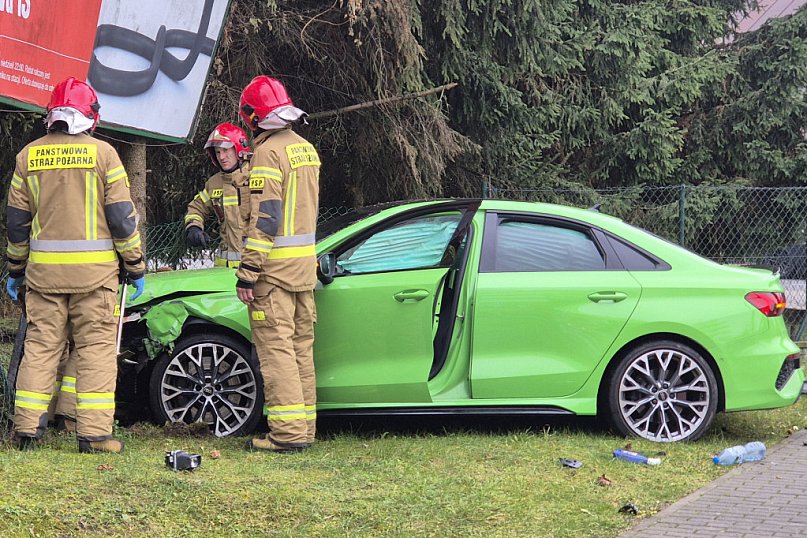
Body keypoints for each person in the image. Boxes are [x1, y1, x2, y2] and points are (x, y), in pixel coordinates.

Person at [4, 76, 145, 453]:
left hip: (43, 277)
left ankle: (26, 431)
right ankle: (94, 435)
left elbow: (16, 223)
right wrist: (135, 265)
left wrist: (16, 269)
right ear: (91, 117)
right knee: (95, 352)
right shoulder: (104, 155)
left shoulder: (28, 156)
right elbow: (122, 220)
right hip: (95, 278)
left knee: (40, 349)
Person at [235, 75, 320, 453]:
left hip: (274, 274)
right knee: (301, 350)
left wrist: (248, 273)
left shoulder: (268, 153)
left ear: (253, 117)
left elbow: (266, 218)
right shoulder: (305, 148)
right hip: (303, 271)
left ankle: (286, 434)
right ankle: (305, 429)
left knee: (278, 352)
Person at [184, 123, 252, 267]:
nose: (222, 157)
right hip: (224, 268)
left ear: (239, 148)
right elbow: (197, 207)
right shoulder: (214, 183)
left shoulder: (257, 177)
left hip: (254, 267)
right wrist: (194, 227)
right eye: (217, 152)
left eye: (226, 150)